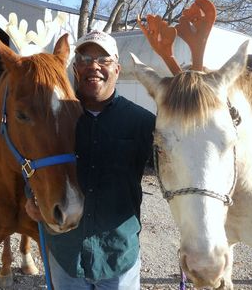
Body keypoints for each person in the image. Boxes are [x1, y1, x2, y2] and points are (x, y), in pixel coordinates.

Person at [25, 30, 155, 290]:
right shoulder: (54, 117)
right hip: (66, 256)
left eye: (103, 59)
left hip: (118, 258)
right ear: (75, 69)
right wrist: (29, 196)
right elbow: (29, 158)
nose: (93, 65)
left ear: (117, 69)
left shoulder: (143, 122)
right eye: (84, 58)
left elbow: (179, 166)